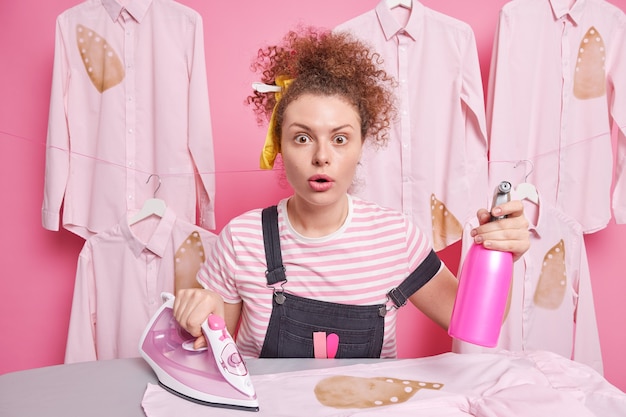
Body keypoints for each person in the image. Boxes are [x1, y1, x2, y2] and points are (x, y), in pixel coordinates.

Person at [173, 27, 530, 359]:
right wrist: (198, 320)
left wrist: (500, 255)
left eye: (340, 139)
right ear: (278, 145)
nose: (322, 156)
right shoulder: (242, 240)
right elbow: (216, 357)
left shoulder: (396, 238)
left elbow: (477, 323)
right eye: (302, 138)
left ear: (362, 146)